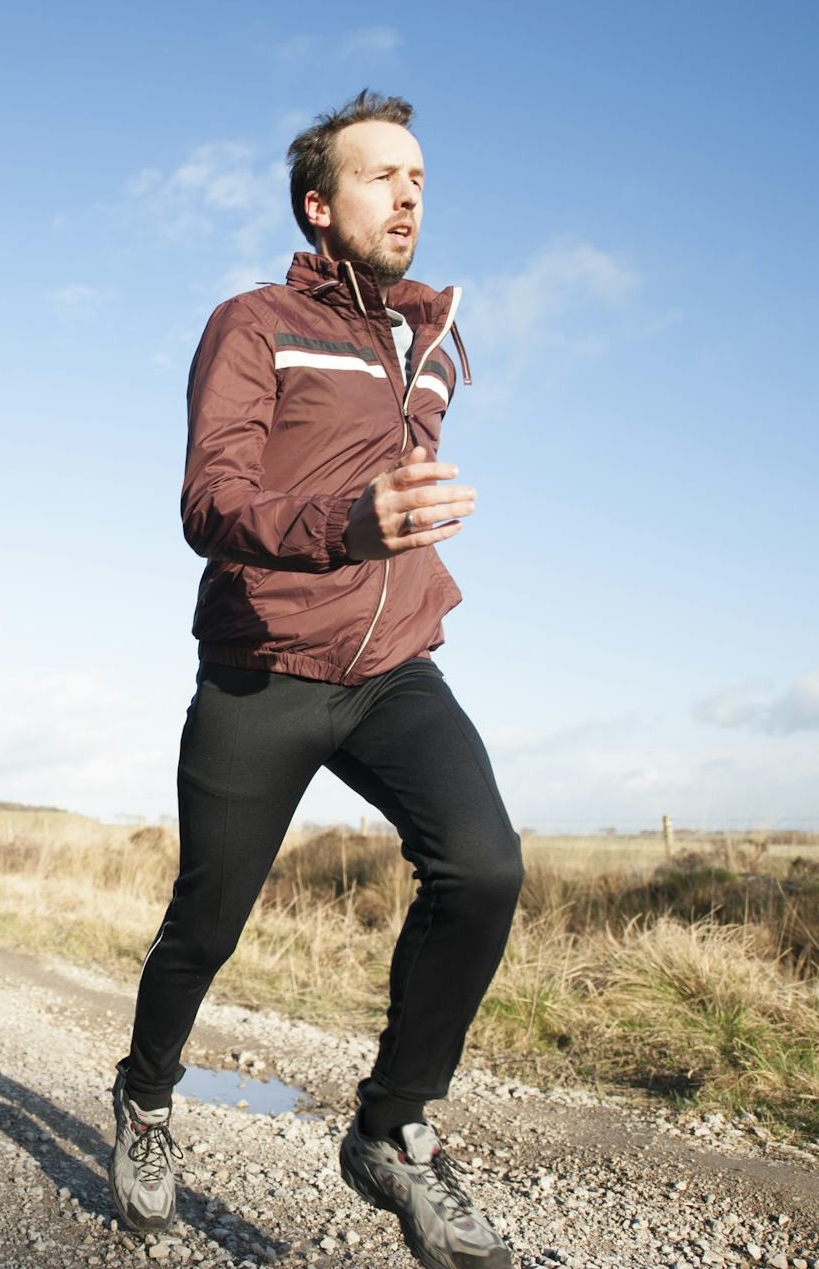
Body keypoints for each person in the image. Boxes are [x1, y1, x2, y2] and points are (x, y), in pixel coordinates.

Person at [107, 90, 523, 1269]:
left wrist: (399, 533)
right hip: (266, 666)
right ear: (318, 204)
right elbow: (211, 501)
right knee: (208, 921)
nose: (408, 195)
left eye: (420, 178)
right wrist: (347, 523)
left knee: (484, 868)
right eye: (382, 174)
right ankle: (146, 1096)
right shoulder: (255, 323)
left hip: (393, 666)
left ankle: (391, 1131)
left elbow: (400, 488)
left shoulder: (431, 347)